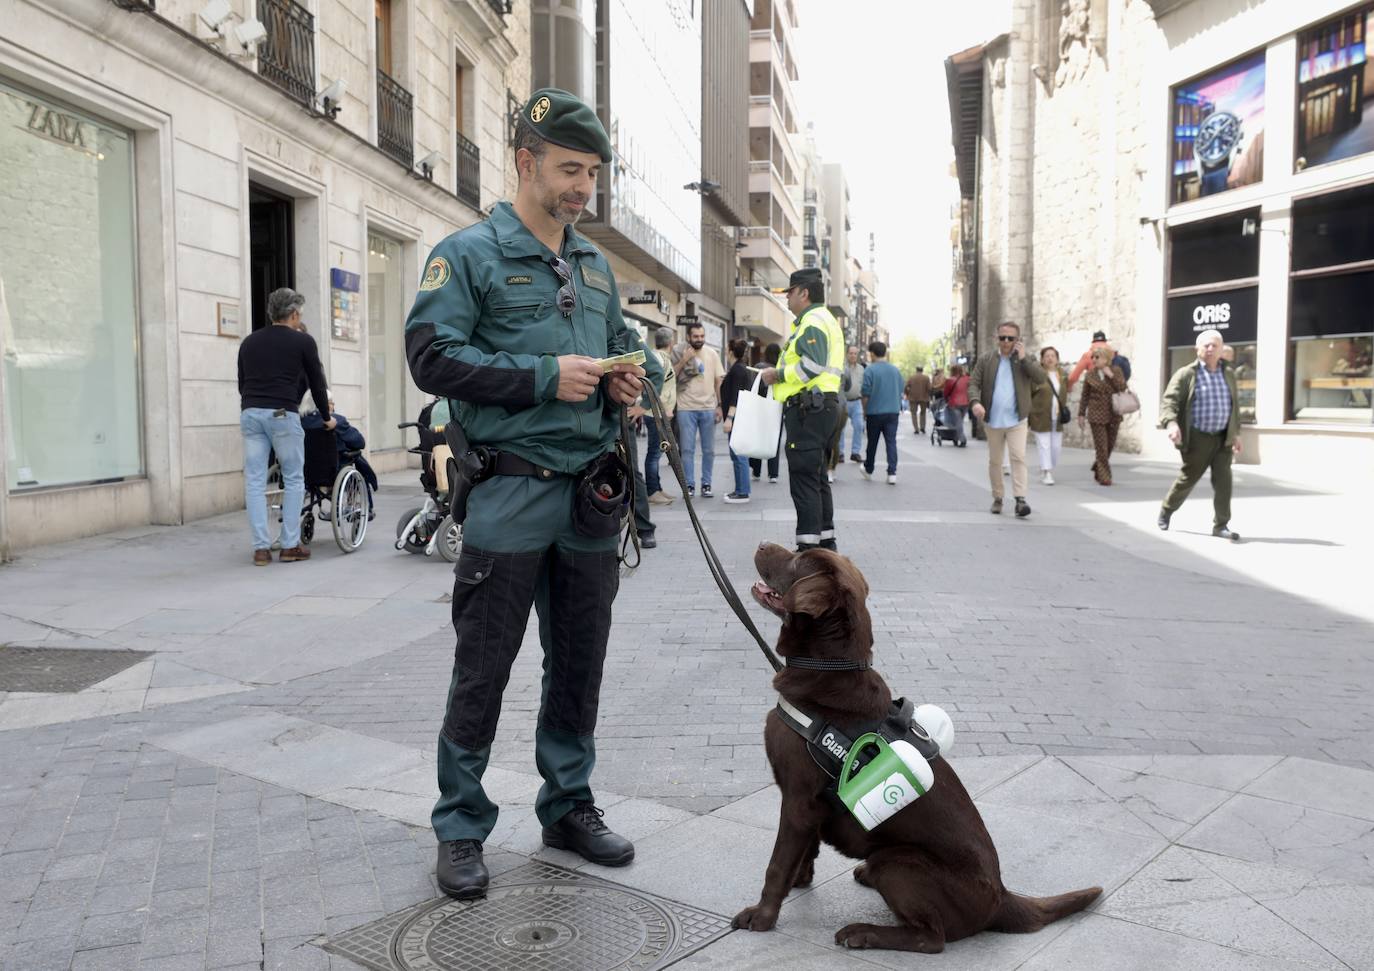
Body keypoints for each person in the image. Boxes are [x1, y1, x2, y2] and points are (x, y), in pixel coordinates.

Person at [403, 87, 665, 900]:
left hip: (591, 497)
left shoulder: (593, 266)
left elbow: (629, 349)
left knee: (578, 662)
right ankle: (459, 823)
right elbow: (432, 360)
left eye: (591, 172)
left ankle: (568, 804)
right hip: (509, 495)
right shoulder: (469, 254)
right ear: (525, 161)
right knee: (483, 666)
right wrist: (548, 377)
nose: (582, 187)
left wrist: (634, 376)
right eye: (567, 169)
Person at [238, 287, 333, 565]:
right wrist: (326, 417)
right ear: (293, 314)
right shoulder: (303, 342)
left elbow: (242, 383)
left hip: (251, 412)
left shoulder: (249, 342)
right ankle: (290, 545)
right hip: (282, 413)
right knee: (293, 478)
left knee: (255, 481)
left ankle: (261, 549)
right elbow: (317, 383)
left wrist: (254, 404)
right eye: (299, 314)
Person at [760, 267, 845, 551]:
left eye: (790, 292)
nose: (787, 299)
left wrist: (778, 375)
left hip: (809, 408)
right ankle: (825, 543)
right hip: (822, 407)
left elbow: (812, 365)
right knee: (817, 477)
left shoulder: (813, 321)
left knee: (805, 480)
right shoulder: (825, 320)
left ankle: (809, 550)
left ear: (804, 293)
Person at [1158, 328, 1242, 541]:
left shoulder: (1229, 374)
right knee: (1188, 478)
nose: (1211, 349)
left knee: (1224, 481)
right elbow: (1170, 401)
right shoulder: (1187, 374)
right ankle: (1167, 510)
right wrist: (1171, 424)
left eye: (1215, 345)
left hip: (1222, 437)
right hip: (1198, 437)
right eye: (1206, 345)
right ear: (1197, 349)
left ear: (1222, 349)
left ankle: (1221, 525)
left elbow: (1234, 406)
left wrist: (1236, 434)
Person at [969, 321, 1046, 517]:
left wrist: (1024, 359)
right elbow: (973, 384)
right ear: (996, 338)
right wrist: (976, 402)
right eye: (1002, 337)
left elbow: (1040, 378)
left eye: (1010, 338)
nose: (1005, 342)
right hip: (993, 420)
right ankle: (998, 497)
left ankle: (1020, 500)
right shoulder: (986, 359)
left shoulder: (1025, 359)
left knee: (1018, 458)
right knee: (995, 461)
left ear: (1017, 340)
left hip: (1017, 419)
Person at [301, 389, 378, 519]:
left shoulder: (300, 421)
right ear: (322, 404)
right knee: (356, 457)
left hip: (306, 472)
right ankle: (365, 506)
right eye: (331, 403)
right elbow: (359, 442)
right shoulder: (336, 421)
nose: (333, 406)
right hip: (333, 472)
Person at [671, 322, 725, 498]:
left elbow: (719, 381)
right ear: (688, 337)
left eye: (702, 336)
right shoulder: (679, 352)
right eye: (696, 336)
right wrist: (684, 360)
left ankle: (706, 484)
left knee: (708, 450)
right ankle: (689, 485)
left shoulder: (712, 354)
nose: (699, 339)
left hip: (708, 408)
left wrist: (719, 405)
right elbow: (670, 375)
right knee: (687, 450)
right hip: (686, 408)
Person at [1076, 344, 1128, 486]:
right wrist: (1081, 414)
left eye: (1097, 357)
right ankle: (1105, 476)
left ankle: (1098, 466)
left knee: (1109, 446)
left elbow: (1123, 387)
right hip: (1096, 415)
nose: (1094, 359)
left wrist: (1110, 375)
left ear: (1106, 358)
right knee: (1101, 447)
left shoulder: (1116, 371)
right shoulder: (1090, 374)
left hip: (1114, 413)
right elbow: (1085, 396)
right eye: (1093, 357)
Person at [859, 340, 903, 485]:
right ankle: (892, 473)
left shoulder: (870, 370)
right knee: (891, 442)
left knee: (872, 442)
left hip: (875, 412)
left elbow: (865, 392)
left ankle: (869, 468)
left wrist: (864, 410)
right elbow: (901, 390)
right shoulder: (895, 370)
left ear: (872, 353)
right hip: (893, 411)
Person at [720, 338, 755, 503]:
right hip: (740, 418)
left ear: (731, 351)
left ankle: (742, 492)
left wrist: (729, 419)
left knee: (739, 455)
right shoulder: (739, 369)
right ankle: (741, 490)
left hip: (737, 419)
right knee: (738, 455)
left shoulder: (737, 370)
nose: (726, 352)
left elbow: (735, 397)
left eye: (727, 349)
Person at [645, 326, 677, 506]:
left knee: (656, 452)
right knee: (654, 453)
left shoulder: (660, 357)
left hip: (657, 412)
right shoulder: (659, 358)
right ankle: (652, 491)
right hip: (655, 414)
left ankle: (656, 488)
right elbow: (655, 385)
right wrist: (664, 408)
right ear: (671, 342)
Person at [1028, 347, 1068, 485]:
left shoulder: (1062, 375)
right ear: (1042, 360)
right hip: (1040, 415)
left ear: (1057, 359)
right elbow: (1029, 394)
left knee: (1056, 447)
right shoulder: (1037, 376)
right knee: (1044, 445)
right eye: (1047, 356)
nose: (1050, 358)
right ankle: (1047, 473)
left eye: (1053, 356)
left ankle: (1047, 466)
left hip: (1057, 417)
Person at [749, 342, 783, 484]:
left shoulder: (758, 367)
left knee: (757, 437)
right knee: (774, 438)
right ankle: (773, 473)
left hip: (759, 407)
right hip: (776, 408)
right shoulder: (780, 369)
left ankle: (756, 471)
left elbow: (752, 384)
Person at [839, 345, 865, 463]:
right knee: (841, 428)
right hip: (843, 402)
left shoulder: (861, 369)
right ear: (847, 354)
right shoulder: (841, 368)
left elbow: (863, 385)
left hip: (857, 402)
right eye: (851, 353)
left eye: (855, 353)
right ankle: (840, 453)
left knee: (859, 426)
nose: (853, 355)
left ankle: (855, 453)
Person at [941, 364, 970, 447]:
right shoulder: (967, 379)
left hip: (954, 403)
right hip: (965, 403)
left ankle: (962, 439)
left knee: (958, 422)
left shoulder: (950, 380)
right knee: (960, 421)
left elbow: (946, 393)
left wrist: (946, 400)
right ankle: (956, 437)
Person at [905, 365, 932, 434]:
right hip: (924, 397)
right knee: (923, 413)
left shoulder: (911, 377)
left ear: (916, 370)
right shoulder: (926, 378)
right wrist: (929, 395)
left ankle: (916, 428)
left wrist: (907, 394)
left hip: (913, 397)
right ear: (922, 370)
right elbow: (929, 388)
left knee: (913, 413)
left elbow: (906, 387)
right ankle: (922, 427)